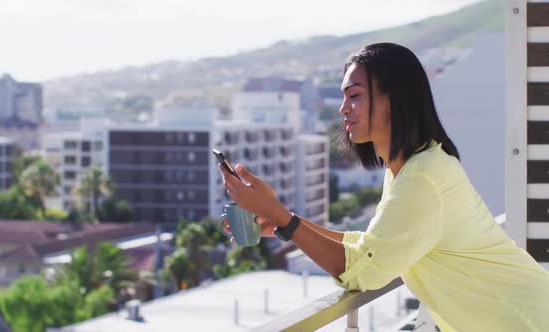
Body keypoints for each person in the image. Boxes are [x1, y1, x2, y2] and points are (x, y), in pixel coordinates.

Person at [218, 42, 549, 331]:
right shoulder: (411, 168)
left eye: (355, 95)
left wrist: (282, 217)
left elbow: (365, 272)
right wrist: (283, 225)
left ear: (394, 98)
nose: (343, 108)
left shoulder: (422, 177)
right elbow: (373, 246)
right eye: (343, 96)